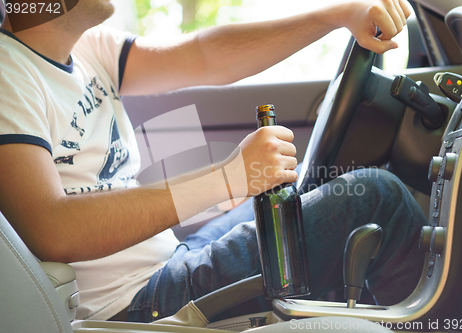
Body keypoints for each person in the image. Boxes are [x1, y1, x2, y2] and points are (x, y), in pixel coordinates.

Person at [0, 0, 426, 323]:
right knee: (375, 198)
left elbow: (207, 55)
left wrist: (334, 15)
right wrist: (229, 177)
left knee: (310, 194)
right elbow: (52, 229)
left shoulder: (88, 48)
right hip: (133, 305)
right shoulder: (7, 73)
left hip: (168, 261)